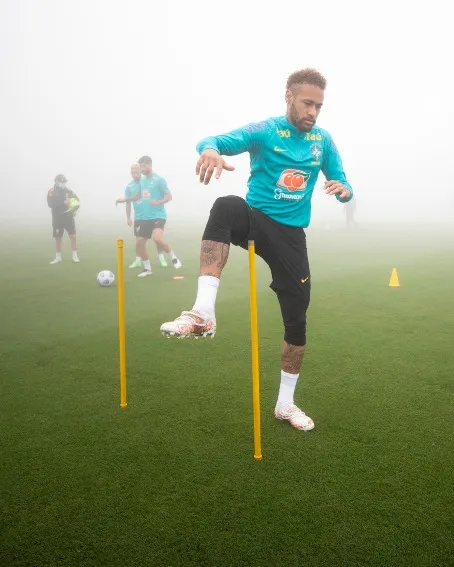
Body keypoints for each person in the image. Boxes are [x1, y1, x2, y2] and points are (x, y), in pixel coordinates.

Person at [159, 68, 354, 432]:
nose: (313, 112)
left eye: (319, 106)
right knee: (226, 205)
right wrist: (212, 152)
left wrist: (343, 189)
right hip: (257, 219)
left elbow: (341, 179)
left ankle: (285, 404)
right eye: (307, 103)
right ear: (289, 97)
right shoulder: (266, 131)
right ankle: (203, 313)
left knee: (297, 320)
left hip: (292, 235)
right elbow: (214, 139)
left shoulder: (322, 141)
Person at [116, 163, 173, 270]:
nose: (135, 174)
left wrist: (122, 200)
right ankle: (138, 261)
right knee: (139, 241)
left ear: (140, 171)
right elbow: (130, 201)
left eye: (137, 172)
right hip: (139, 216)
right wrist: (128, 217)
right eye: (133, 173)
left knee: (156, 238)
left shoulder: (145, 182)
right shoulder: (129, 186)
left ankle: (161, 258)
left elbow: (139, 196)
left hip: (151, 215)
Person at [134, 155, 182, 277]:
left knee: (156, 238)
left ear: (149, 165)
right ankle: (147, 269)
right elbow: (140, 195)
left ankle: (173, 258)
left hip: (158, 215)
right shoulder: (142, 180)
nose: (142, 169)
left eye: (143, 166)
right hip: (145, 217)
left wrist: (158, 202)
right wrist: (126, 200)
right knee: (140, 242)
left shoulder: (159, 180)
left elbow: (169, 196)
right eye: (140, 167)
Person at [46, 174, 80, 264]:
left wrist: (74, 207)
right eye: (62, 182)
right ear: (56, 182)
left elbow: (77, 201)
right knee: (58, 237)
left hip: (68, 217)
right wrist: (63, 203)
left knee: (73, 236)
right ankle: (58, 257)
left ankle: (75, 256)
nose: (63, 183)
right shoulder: (51, 191)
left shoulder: (69, 191)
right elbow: (50, 204)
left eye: (65, 182)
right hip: (57, 217)